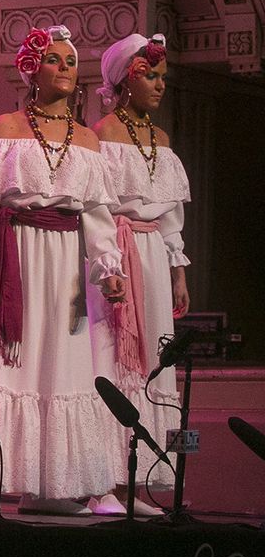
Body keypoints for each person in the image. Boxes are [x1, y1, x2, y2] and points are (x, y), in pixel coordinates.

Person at [0, 25, 127, 516]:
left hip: (65, 263)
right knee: (2, 362)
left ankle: (49, 487)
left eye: (71, 62)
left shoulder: (87, 141)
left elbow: (97, 213)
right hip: (15, 255)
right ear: (31, 69)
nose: (64, 69)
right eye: (54, 60)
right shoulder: (7, 128)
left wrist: (108, 266)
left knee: (61, 367)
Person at [89, 32, 190, 515]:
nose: (160, 84)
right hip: (118, 251)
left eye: (162, 76)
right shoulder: (103, 134)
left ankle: (137, 483)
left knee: (150, 360)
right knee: (113, 358)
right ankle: (103, 482)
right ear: (125, 80)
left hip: (151, 255)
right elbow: (97, 207)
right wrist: (109, 262)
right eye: (150, 75)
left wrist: (178, 272)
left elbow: (170, 217)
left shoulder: (161, 141)